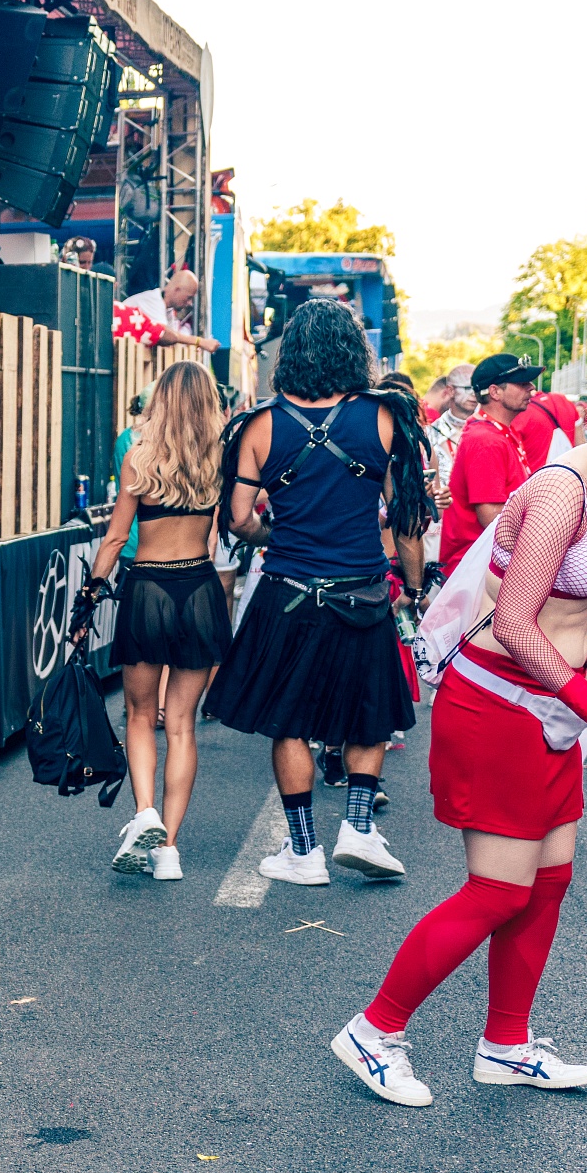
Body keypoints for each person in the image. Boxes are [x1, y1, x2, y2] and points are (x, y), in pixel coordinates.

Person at [329, 341, 587, 1106]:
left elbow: (572, 602)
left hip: (550, 708)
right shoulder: (563, 491)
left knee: (548, 883)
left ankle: (506, 1043)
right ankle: (373, 1032)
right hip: (499, 706)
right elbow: (519, 623)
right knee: (497, 891)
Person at [210, 299, 435, 885]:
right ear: (351, 351)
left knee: (289, 721)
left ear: (292, 353)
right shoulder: (384, 418)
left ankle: (304, 852)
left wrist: (273, 533)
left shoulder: (259, 424)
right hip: (362, 593)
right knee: (369, 715)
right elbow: (407, 518)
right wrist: (413, 587)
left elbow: (237, 518)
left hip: (286, 591)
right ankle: (358, 828)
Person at [81, 362, 231, 881]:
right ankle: (168, 848)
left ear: (160, 400)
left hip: (148, 590)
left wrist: (87, 597)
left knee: (140, 716)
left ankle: (143, 811)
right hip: (201, 590)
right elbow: (237, 523)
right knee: (183, 724)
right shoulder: (221, 459)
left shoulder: (139, 460)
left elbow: (116, 540)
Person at [439, 361, 530, 586]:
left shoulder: (500, 432)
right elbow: (491, 517)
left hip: (489, 566)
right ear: (494, 391)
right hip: (478, 572)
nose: (531, 388)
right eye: (521, 383)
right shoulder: (485, 440)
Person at [119, 269, 223, 355]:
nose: (190, 303)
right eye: (188, 297)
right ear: (177, 289)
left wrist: (190, 347)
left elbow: (174, 341)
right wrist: (200, 342)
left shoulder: (166, 309)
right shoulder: (151, 301)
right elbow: (165, 335)